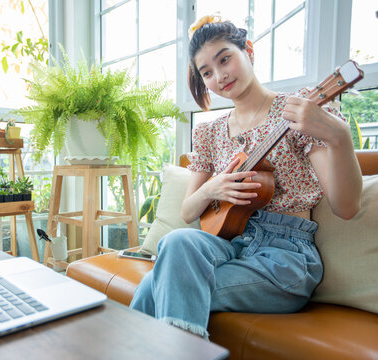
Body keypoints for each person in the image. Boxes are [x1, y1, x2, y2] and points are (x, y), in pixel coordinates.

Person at [129, 15, 362, 339]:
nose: (219, 75)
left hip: (284, 256)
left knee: (154, 287)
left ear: (247, 50)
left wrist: (339, 137)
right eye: (206, 72)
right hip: (226, 243)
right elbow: (187, 212)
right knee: (176, 240)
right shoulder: (210, 132)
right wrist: (212, 187)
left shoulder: (297, 111)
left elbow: (346, 207)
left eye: (225, 59)